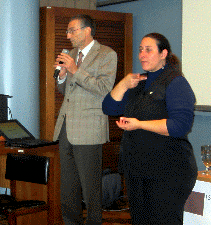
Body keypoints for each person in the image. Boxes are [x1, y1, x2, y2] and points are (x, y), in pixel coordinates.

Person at [102, 33, 197, 224]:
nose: (142, 55)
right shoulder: (139, 82)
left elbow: (179, 126)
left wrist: (139, 124)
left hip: (168, 170)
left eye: (148, 50)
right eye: (140, 50)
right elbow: (109, 108)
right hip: (138, 169)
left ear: (163, 54)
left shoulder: (176, 82)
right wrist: (123, 84)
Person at [53, 14, 118, 225]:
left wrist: (75, 70)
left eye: (72, 30)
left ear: (87, 30)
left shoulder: (107, 54)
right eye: (68, 30)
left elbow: (104, 89)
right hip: (66, 127)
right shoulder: (71, 54)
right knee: (68, 187)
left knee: (91, 189)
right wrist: (62, 76)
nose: (67, 34)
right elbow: (66, 90)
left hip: (89, 128)